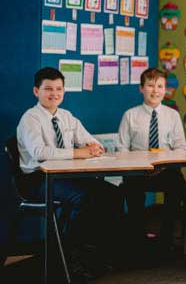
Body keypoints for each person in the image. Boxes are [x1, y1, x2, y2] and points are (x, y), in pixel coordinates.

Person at [16, 67, 123, 281]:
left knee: (111, 193)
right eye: (48, 89)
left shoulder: (66, 116)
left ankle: (99, 253)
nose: (54, 93)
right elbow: (39, 153)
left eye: (59, 89)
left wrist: (94, 147)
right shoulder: (31, 119)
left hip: (65, 176)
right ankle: (70, 257)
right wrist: (78, 152)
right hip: (38, 179)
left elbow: (88, 139)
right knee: (81, 197)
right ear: (36, 91)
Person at [116, 68, 186, 256]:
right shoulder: (130, 115)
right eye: (150, 86)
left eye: (160, 86)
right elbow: (121, 149)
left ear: (165, 90)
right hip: (138, 171)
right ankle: (137, 237)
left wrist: (165, 163)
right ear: (141, 88)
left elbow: (181, 148)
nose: (155, 91)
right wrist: (139, 167)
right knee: (132, 189)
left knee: (177, 186)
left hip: (166, 170)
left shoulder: (172, 116)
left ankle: (167, 236)